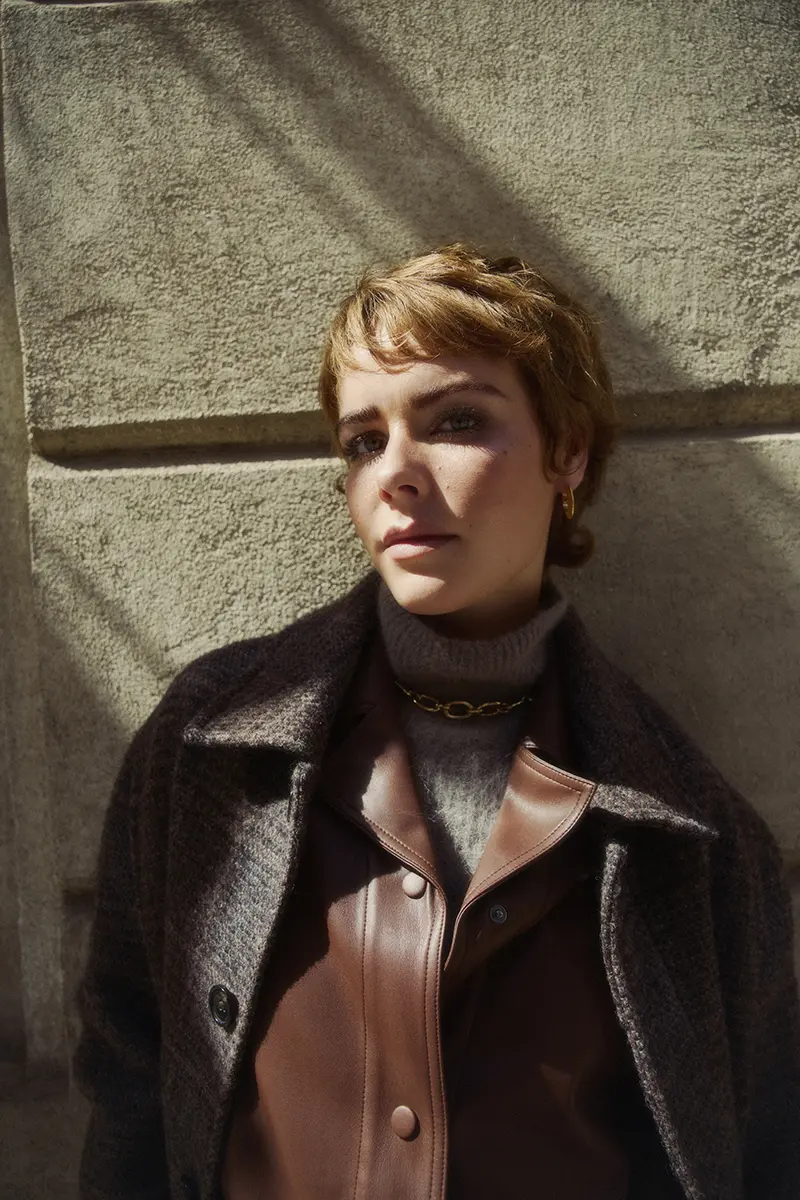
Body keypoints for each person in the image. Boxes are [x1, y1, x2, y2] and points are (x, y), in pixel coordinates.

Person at [73, 243, 800, 1200]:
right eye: (363, 441)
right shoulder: (209, 746)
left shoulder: (692, 834)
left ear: (568, 451)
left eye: (456, 420)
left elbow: (757, 1142)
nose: (396, 475)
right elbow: (131, 1075)